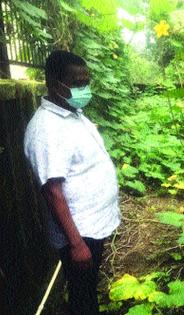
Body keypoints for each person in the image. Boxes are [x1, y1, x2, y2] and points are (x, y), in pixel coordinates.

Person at [23, 50, 121, 315]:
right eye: (77, 83)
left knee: (86, 287)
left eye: (86, 81)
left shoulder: (72, 112)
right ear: (55, 84)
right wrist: (77, 244)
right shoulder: (46, 128)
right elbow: (52, 191)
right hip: (78, 233)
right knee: (82, 294)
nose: (84, 88)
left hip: (91, 226)